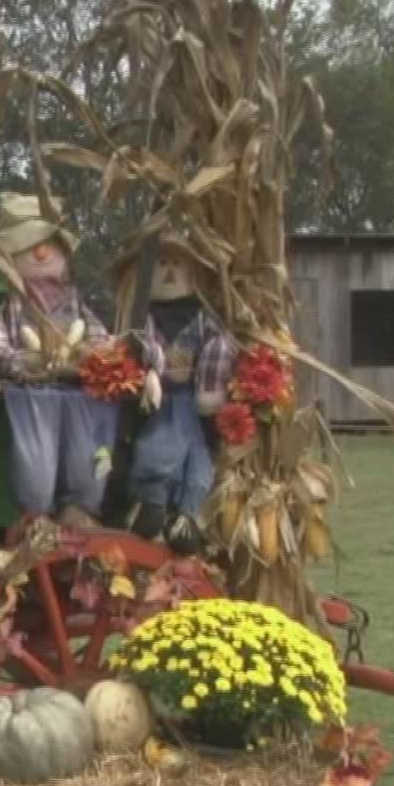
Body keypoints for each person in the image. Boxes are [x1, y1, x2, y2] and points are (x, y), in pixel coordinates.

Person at [0, 192, 119, 529]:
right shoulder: (13, 309)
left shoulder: (74, 305)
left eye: (48, 245)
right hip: (34, 392)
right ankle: (36, 511)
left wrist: (95, 352)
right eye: (29, 247)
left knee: (90, 449)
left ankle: (81, 506)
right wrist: (22, 362)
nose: (41, 253)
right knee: (36, 456)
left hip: (79, 392)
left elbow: (99, 336)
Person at [120, 234, 235, 553]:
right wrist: (152, 371)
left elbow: (221, 346)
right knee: (157, 444)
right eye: (162, 263)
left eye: (177, 264)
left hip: (194, 399)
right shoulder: (143, 318)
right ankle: (153, 503)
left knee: (198, 458)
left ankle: (186, 515)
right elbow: (142, 343)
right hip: (161, 399)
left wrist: (211, 386)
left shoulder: (204, 319)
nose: (169, 272)